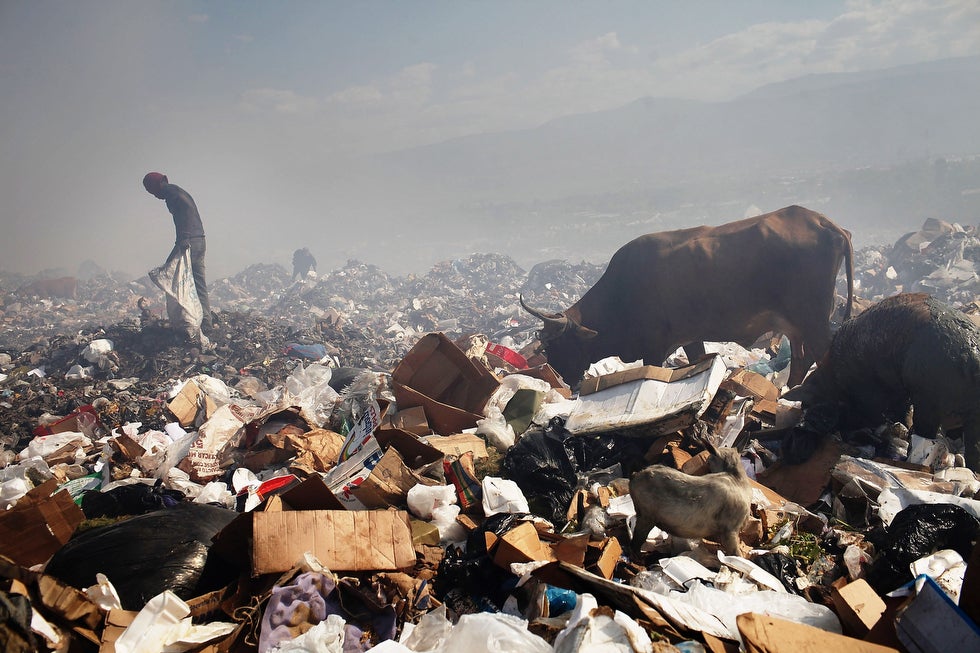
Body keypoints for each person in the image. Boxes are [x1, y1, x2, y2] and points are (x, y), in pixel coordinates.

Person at [142, 172, 213, 331]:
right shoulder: (177, 190)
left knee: (171, 274)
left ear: (155, 186)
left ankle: (185, 319)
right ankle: (205, 322)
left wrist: (184, 237)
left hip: (190, 241)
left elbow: (186, 209)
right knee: (198, 283)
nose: (154, 196)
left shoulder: (172, 193)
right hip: (200, 240)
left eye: (152, 191)